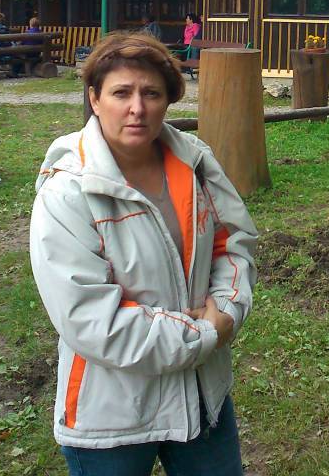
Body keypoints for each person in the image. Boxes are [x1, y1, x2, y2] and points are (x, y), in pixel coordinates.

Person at [30, 32, 257, 476]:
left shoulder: (194, 164)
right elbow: (89, 316)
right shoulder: (68, 191)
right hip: (112, 414)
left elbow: (232, 243)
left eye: (151, 93)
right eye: (121, 93)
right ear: (94, 99)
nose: (138, 108)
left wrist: (228, 308)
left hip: (200, 398)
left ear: (168, 101)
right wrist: (203, 334)